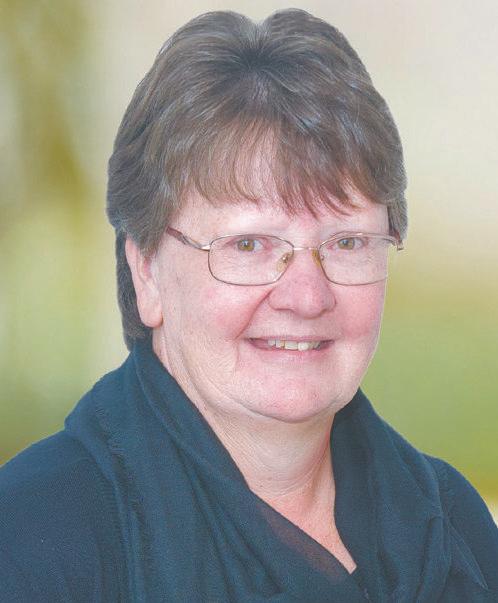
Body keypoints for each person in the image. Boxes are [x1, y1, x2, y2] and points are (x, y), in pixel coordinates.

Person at [1, 8, 497, 602]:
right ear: (147, 272)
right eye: (248, 245)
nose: (307, 297)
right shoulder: (31, 540)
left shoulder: (454, 525)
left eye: (346, 242)